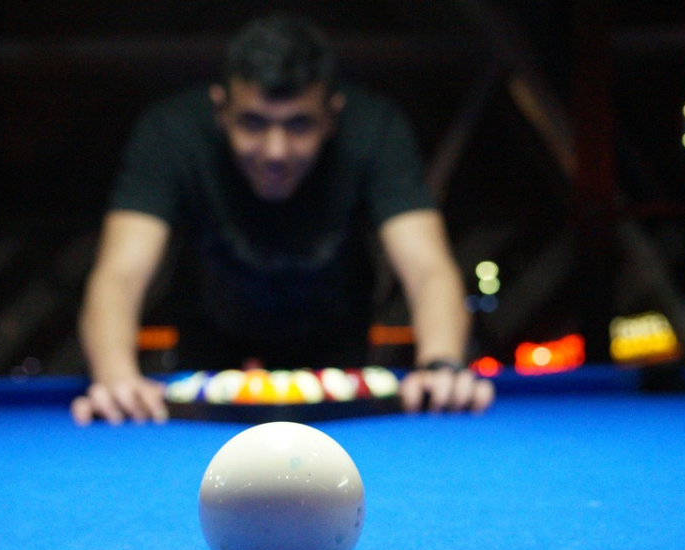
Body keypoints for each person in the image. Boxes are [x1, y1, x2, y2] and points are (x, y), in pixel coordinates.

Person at [71, 14, 494, 425]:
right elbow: (120, 274)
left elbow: (427, 268)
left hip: (335, 347)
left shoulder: (375, 131)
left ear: (333, 114)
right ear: (221, 110)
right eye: (253, 123)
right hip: (211, 343)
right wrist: (116, 378)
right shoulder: (171, 132)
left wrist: (442, 363)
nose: (276, 152)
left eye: (299, 124)